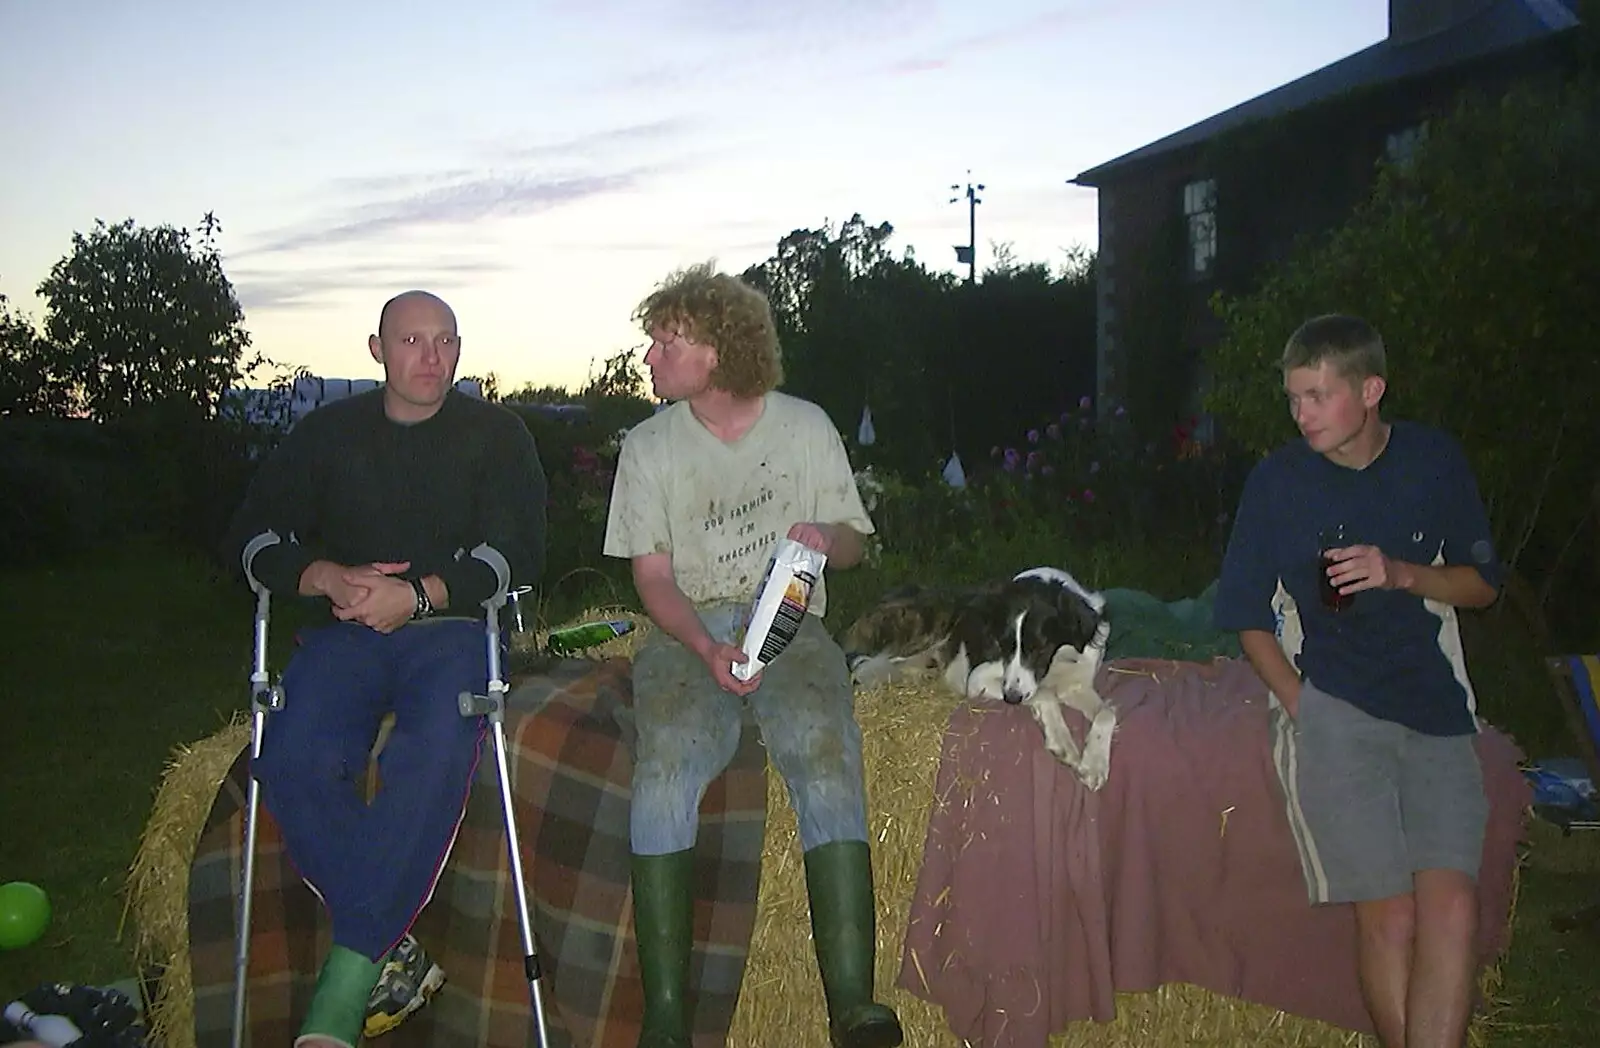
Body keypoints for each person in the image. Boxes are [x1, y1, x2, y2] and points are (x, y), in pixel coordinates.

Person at [224, 290, 547, 1048]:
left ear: (460, 349)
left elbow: (518, 556)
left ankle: (345, 981)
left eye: (445, 341)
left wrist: (419, 594)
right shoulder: (328, 435)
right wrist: (327, 577)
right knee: (293, 756)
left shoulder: (498, 437)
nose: (431, 358)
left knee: (431, 753)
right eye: (411, 340)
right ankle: (386, 947)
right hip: (348, 631)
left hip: (454, 631)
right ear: (376, 349)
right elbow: (251, 541)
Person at [602, 263, 902, 1048]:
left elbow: (856, 546)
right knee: (666, 766)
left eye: (666, 342)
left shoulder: (805, 428)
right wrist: (703, 647)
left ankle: (852, 1005)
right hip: (686, 624)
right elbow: (652, 575)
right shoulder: (647, 446)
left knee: (827, 753)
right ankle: (667, 1018)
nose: (650, 357)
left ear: (719, 350)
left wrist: (827, 538)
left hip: (794, 625)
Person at [1214, 314, 1502, 1048]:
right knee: (1392, 914)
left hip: (1435, 711)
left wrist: (1402, 573)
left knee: (1452, 910)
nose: (1300, 413)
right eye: (1293, 398)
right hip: (1337, 710)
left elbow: (1483, 585)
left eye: (1316, 395)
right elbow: (1245, 611)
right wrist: (1300, 702)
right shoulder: (1279, 482)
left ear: (1370, 390)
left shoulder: (1432, 461)